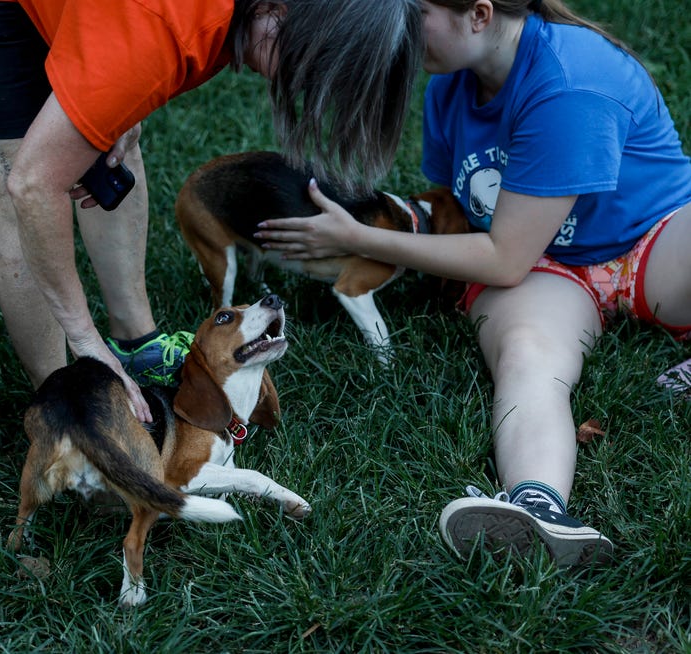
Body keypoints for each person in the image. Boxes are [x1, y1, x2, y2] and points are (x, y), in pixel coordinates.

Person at [255, 0, 691, 566]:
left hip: (651, 236)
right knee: (527, 359)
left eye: (414, 15)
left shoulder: (568, 82)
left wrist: (360, 238)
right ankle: (538, 505)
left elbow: (503, 258)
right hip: (551, 270)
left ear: (479, 14)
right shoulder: (448, 87)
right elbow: (470, 220)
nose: (398, 31)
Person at [0, 0, 424, 422]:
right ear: (277, 14)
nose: (308, 87)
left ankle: (136, 343)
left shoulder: (225, 22)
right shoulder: (169, 28)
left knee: (113, 137)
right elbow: (33, 185)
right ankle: (67, 400)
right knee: (20, 163)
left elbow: (124, 50)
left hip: (131, 23)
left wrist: (114, 97)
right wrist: (85, 337)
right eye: (313, 67)